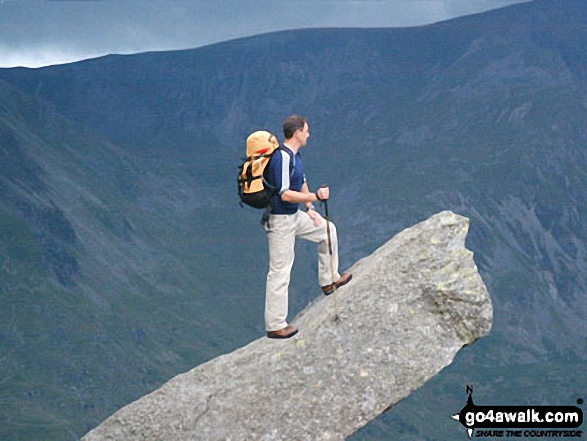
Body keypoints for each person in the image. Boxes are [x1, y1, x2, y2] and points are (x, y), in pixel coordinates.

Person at [264, 115, 352, 339]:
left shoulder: (295, 156)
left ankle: (329, 280)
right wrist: (314, 196)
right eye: (306, 130)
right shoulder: (282, 157)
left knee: (327, 230)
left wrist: (310, 207)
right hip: (280, 221)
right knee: (280, 271)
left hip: (294, 215)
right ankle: (275, 325)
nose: (308, 134)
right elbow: (284, 192)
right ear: (297, 133)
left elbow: (300, 181)